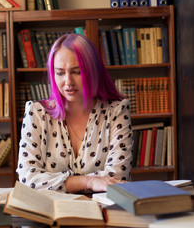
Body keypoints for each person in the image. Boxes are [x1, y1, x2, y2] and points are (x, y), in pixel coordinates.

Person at [16, 33, 133, 194]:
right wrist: (89, 182)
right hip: (51, 212)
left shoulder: (116, 111)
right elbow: (28, 178)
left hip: (104, 212)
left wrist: (55, 181)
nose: (68, 82)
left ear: (93, 71)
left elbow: (116, 176)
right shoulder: (36, 113)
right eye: (60, 73)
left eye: (77, 72)